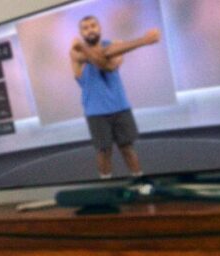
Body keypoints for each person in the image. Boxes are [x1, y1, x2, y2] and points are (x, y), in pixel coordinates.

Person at [69, 15, 161, 180]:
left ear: (100, 28)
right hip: (95, 112)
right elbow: (100, 59)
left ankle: (140, 182)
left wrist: (83, 48)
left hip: (120, 107)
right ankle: (106, 185)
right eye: (85, 28)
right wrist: (143, 41)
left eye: (93, 25)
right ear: (81, 33)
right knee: (104, 152)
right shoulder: (76, 53)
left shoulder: (114, 45)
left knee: (127, 148)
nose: (90, 29)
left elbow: (108, 66)